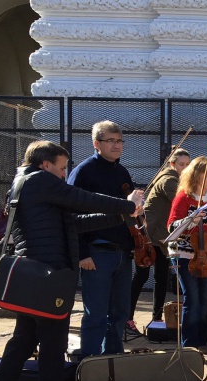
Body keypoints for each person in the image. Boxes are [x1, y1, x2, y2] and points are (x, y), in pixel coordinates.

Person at [0, 140, 142, 381]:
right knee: (52, 346)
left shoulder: (25, 183)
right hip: (48, 276)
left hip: (35, 276)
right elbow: (82, 197)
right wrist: (128, 204)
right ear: (46, 165)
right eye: (61, 168)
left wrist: (120, 215)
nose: (63, 173)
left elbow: (74, 222)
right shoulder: (40, 181)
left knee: (22, 343)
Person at [68, 120, 135, 357]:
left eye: (119, 141)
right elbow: (71, 216)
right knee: (95, 313)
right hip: (96, 252)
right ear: (97, 144)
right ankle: (89, 363)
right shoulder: (83, 172)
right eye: (111, 141)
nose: (117, 146)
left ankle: (114, 359)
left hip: (122, 252)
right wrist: (82, 252)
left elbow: (128, 211)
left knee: (120, 313)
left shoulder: (122, 171)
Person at [167, 156, 207, 354]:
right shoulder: (183, 197)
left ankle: (201, 341)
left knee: (204, 299)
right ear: (196, 176)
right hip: (184, 253)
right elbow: (171, 226)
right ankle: (189, 344)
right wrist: (191, 220)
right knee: (192, 298)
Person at [128, 148, 190, 329]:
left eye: (188, 165)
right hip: (151, 236)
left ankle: (156, 319)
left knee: (161, 278)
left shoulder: (178, 180)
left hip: (161, 237)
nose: (185, 168)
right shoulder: (169, 180)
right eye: (181, 165)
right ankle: (128, 317)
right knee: (141, 277)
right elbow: (182, 201)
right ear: (172, 164)